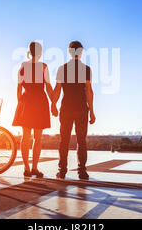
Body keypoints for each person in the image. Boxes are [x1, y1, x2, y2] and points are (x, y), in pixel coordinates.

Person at [51, 41, 96, 180]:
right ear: (81, 52)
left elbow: (57, 89)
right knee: (81, 140)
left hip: (66, 109)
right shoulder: (86, 69)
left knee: (64, 140)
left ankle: (62, 170)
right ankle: (82, 171)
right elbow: (89, 91)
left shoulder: (62, 69)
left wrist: (53, 104)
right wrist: (92, 111)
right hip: (82, 109)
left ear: (69, 52)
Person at [13, 41, 54, 178]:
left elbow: (19, 87)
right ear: (40, 53)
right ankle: (35, 168)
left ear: (30, 52)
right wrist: (54, 102)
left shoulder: (23, 67)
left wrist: (20, 102)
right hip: (40, 102)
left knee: (25, 137)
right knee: (38, 138)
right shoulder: (43, 67)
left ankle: (26, 168)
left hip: (26, 101)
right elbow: (48, 87)